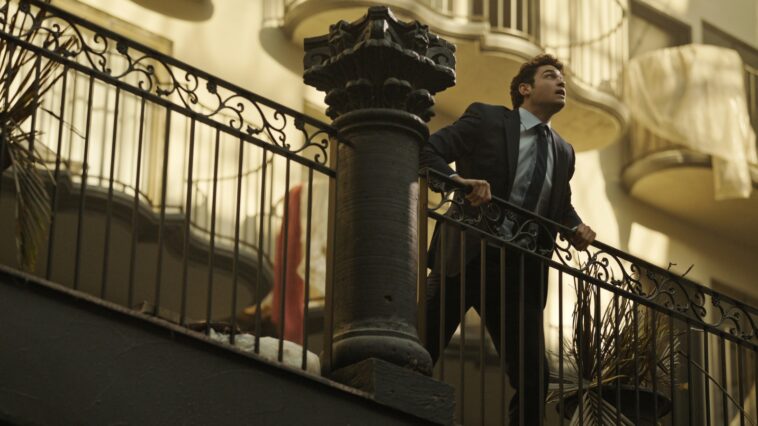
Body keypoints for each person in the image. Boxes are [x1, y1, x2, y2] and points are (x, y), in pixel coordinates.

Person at [419, 54, 596, 423]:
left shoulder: (564, 151)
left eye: (562, 78)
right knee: (419, 348)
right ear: (525, 88)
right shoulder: (486, 118)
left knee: (535, 379)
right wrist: (459, 182)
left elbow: (560, 205)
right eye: (551, 76)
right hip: (466, 254)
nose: (561, 82)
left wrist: (577, 226)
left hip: (519, 273)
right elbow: (429, 151)